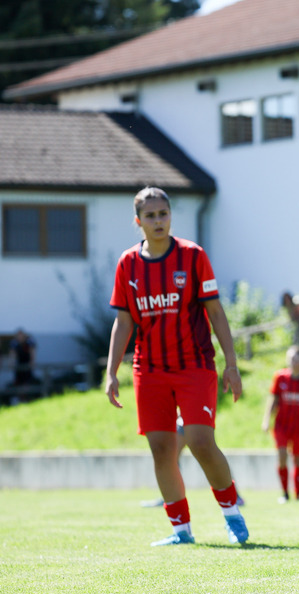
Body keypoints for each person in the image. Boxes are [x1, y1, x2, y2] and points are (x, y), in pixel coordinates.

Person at [105, 186, 248, 546]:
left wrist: (231, 364)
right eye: (150, 216)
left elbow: (215, 311)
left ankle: (232, 513)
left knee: (200, 441)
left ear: (171, 216)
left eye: (163, 214)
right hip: (148, 369)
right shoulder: (128, 264)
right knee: (162, 449)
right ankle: (180, 530)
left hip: (194, 365)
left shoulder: (193, 256)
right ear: (138, 221)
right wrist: (111, 373)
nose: (158, 221)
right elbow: (123, 322)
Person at [263, 345, 299, 503]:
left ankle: (298, 494)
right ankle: (285, 493)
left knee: (298, 459)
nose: (293, 362)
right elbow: (273, 399)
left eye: (296, 359)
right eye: (290, 359)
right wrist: (266, 420)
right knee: (282, 456)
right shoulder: (280, 377)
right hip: (282, 425)